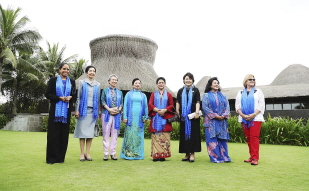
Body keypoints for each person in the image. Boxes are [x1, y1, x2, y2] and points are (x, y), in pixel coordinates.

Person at [45, 63, 76, 164]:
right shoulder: (53, 81)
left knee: (63, 135)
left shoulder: (72, 82)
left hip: (66, 112)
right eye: (64, 69)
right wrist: (59, 98)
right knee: (53, 135)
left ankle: (60, 158)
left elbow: (74, 95)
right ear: (59, 70)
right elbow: (47, 94)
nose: (66, 71)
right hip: (55, 111)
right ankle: (51, 159)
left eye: (67, 69)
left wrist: (70, 97)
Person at [235, 74, 265, 165]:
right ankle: (251, 156)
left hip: (256, 118)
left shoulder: (258, 91)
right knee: (248, 138)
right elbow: (237, 105)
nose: (252, 80)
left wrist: (253, 114)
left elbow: (261, 104)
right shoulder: (240, 92)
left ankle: (255, 158)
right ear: (246, 81)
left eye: (253, 79)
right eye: (250, 79)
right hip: (244, 118)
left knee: (254, 137)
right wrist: (243, 115)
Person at [73, 66, 100, 162]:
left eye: (94, 71)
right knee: (82, 133)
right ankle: (81, 153)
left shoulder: (98, 84)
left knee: (90, 134)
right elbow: (78, 97)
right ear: (86, 72)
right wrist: (77, 110)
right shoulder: (81, 82)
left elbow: (98, 99)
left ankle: (87, 153)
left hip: (93, 111)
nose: (92, 73)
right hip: (83, 111)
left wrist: (98, 112)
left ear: (95, 73)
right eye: (90, 71)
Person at [202, 77, 231, 163]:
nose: (217, 84)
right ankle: (215, 158)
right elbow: (205, 107)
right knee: (212, 140)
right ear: (210, 85)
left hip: (222, 121)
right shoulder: (206, 95)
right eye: (215, 83)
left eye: (217, 83)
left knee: (223, 140)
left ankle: (225, 157)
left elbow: (227, 107)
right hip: (210, 122)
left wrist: (224, 115)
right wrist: (215, 115)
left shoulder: (223, 96)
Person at [120, 78, 148, 160]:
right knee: (130, 135)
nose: (137, 84)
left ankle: (138, 154)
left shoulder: (143, 95)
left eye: (139, 83)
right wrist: (125, 117)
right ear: (133, 85)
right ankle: (128, 154)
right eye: (136, 83)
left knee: (138, 135)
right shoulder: (128, 94)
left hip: (139, 118)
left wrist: (145, 117)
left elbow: (145, 106)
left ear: (140, 85)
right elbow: (125, 106)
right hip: (130, 117)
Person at [176, 72, 201, 163]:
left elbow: (198, 101)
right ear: (184, 80)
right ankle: (186, 154)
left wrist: (197, 113)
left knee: (193, 135)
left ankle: (192, 154)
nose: (188, 80)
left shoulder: (196, 90)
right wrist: (178, 111)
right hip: (183, 117)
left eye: (190, 79)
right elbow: (178, 102)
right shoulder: (180, 91)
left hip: (193, 117)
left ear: (192, 80)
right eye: (186, 79)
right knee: (184, 136)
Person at [148, 77, 174, 162]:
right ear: (156, 84)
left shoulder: (169, 95)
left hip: (165, 118)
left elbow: (171, 105)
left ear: (165, 84)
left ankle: (163, 155)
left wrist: (164, 110)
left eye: (162, 82)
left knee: (164, 136)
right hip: (156, 118)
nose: (161, 84)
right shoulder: (153, 94)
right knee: (156, 137)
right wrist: (157, 110)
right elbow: (150, 104)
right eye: (159, 82)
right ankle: (156, 155)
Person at [101, 74, 123, 161]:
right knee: (106, 133)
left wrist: (118, 110)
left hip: (117, 115)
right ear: (109, 81)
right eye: (112, 80)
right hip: (106, 113)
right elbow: (102, 101)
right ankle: (106, 153)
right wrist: (109, 109)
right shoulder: (105, 91)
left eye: (116, 80)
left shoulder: (120, 92)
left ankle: (113, 153)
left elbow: (121, 103)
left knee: (115, 134)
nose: (114, 81)